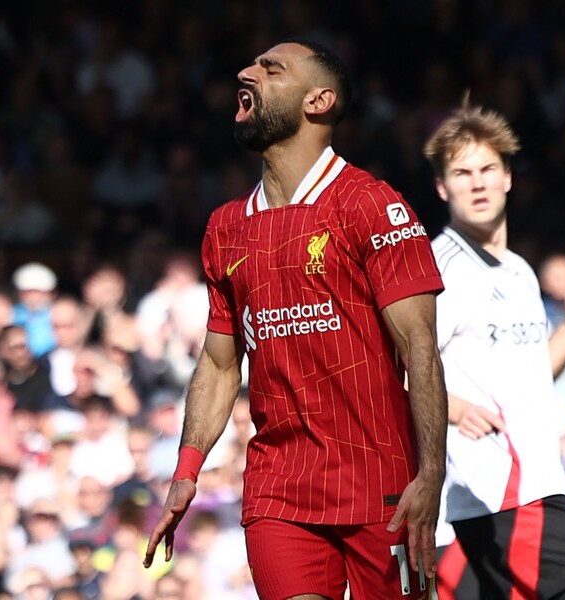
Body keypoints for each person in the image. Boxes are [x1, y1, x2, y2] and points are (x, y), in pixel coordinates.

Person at [144, 39, 448, 600]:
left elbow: (420, 349)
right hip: (279, 488)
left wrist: (431, 475)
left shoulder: (372, 205)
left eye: (270, 67)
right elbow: (217, 366)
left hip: (381, 484)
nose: (245, 71)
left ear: (319, 101)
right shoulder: (225, 227)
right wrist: (186, 470)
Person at [424, 99, 565, 599]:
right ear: (443, 187)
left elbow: (530, 376)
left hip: (516, 491)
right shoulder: (440, 272)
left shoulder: (518, 271)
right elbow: (395, 373)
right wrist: (457, 408)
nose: (478, 182)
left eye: (488, 168)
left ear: (508, 177)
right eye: (462, 173)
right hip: (498, 492)